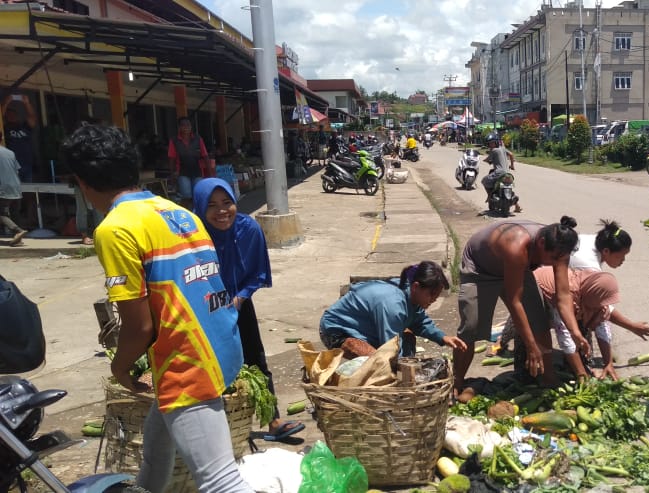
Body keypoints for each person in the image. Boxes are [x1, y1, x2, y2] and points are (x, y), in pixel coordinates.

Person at [62, 124, 251, 493]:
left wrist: (120, 366)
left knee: (220, 481)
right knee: (156, 452)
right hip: (221, 344)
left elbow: (139, 327)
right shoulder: (176, 212)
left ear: (82, 183)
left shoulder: (114, 229)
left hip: (188, 361)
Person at [191, 178, 305, 443]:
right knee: (209, 368)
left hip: (239, 303)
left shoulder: (249, 229)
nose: (222, 211)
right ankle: (217, 429)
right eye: (212, 205)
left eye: (227, 203)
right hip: (202, 310)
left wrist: (240, 298)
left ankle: (274, 421)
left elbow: (257, 273)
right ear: (199, 208)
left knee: (255, 360)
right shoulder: (192, 238)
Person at [453, 217, 590, 401]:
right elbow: (514, 301)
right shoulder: (516, 245)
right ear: (541, 243)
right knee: (471, 327)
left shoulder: (560, 248)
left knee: (538, 319)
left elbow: (563, 295)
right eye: (552, 259)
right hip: (480, 269)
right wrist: (531, 346)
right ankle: (456, 382)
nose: (553, 263)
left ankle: (548, 377)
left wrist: (575, 332)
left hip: (519, 268)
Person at [564, 221, 649, 379]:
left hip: (561, 282)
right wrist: (631, 326)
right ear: (606, 251)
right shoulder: (589, 266)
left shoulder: (598, 240)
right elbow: (603, 311)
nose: (623, 260)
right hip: (547, 286)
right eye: (621, 256)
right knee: (581, 319)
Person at [319, 261, 467, 358]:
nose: (434, 299)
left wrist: (443, 338)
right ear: (416, 286)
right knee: (379, 362)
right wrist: (404, 367)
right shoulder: (393, 304)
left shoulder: (410, 294)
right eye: (432, 294)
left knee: (407, 336)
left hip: (366, 330)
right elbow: (390, 346)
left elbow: (419, 322)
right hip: (337, 331)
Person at [168, 117, 211, 205]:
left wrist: (210, 173)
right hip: (182, 172)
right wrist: (172, 174)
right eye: (183, 125)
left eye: (188, 125)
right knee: (186, 196)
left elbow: (205, 156)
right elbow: (171, 158)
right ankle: (188, 215)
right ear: (179, 127)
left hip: (197, 171)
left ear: (191, 126)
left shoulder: (198, 139)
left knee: (198, 195)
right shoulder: (174, 141)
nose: (186, 127)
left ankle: (198, 215)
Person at [482, 135, 522, 213]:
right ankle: (517, 206)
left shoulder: (494, 151)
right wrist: (512, 166)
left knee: (484, 181)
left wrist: (485, 160)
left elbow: (487, 159)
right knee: (508, 188)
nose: (490, 145)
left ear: (496, 142)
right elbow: (511, 155)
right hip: (508, 174)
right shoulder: (503, 149)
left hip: (498, 173)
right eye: (489, 144)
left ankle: (489, 196)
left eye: (491, 143)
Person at [2, 94, 36, 184]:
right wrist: (6, 102)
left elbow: (32, 118)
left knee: (29, 191)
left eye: (14, 114)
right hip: (12, 166)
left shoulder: (24, 126)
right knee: (15, 192)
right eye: (9, 115)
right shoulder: (5, 128)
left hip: (27, 164)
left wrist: (27, 104)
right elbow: (0, 118)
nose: (12, 116)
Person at [0, 138, 28, 247]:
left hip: (3, 187)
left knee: (1, 213)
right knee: (14, 213)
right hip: (16, 186)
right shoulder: (10, 152)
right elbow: (16, 169)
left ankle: (17, 231)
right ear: (2, 139)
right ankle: (18, 240)